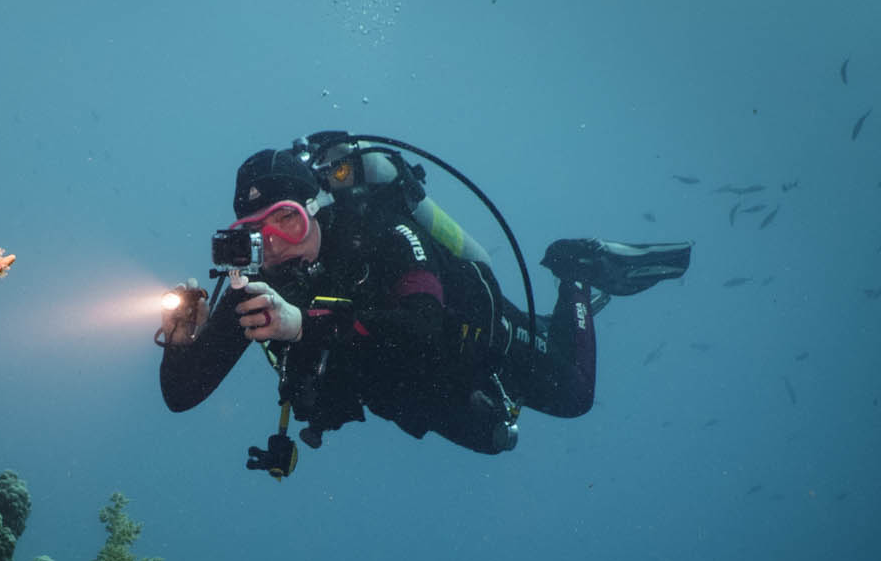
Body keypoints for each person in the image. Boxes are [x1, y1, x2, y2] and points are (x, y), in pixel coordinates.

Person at [156, 141, 690, 473]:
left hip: (475, 341)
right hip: (408, 394)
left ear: (316, 210)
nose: (273, 245)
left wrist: (302, 326)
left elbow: (421, 329)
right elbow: (182, 395)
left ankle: (576, 276)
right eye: (252, 234)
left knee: (573, 395)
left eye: (287, 220)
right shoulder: (254, 285)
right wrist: (179, 344)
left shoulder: (383, 235)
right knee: (494, 441)